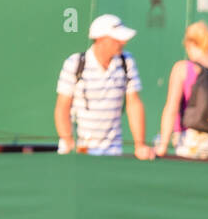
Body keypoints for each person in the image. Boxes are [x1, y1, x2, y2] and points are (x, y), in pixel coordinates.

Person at [55, 13, 155, 159]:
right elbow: (62, 106)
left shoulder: (127, 61)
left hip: (113, 152)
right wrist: (68, 140)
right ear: (101, 39)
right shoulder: (74, 63)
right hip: (80, 152)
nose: (123, 42)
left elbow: (134, 103)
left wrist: (139, 145)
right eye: (116, 39)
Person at [155, 21, 208, 161]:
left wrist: (162, 145)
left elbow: (171, 108)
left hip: (190, 144)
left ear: (189, 43)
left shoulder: (182, 68)